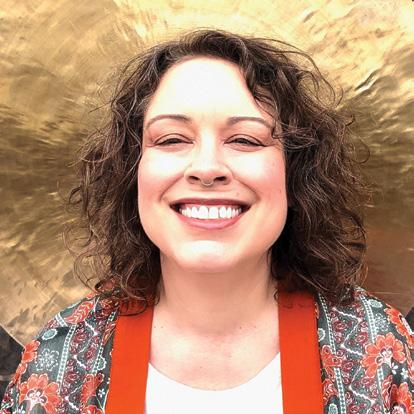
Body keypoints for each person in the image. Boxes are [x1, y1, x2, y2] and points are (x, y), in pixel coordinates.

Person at [1, 28, 413, 414]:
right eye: (172, 139)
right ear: (132, 171)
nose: (207, 168)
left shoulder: (380, 351)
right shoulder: (61, 360)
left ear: (294, 173)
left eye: (245, 140)